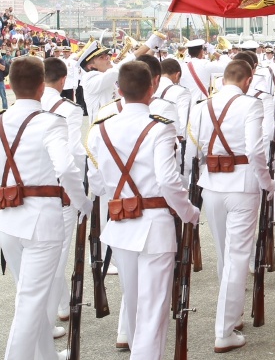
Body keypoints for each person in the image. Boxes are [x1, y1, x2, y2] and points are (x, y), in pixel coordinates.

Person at [85, 61, 199, 359]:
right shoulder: (160, 127)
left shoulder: (100, 129)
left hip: (121, 223)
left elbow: (96, 184)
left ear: (119, 91)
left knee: (135, 304)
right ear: (152, 88)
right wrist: (189, 212)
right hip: (154, 224)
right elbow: (168, 180)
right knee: (153, 311)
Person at [0, 57, 92, 360]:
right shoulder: (50, 121)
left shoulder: (2, 119)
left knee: (30, 297)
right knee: (30, 302)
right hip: (41, 221)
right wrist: (83, 203)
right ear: (42, 87)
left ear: (11, 85)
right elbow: (66, 167)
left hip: (8, 219)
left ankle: (45, 356)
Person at [184, 60, 273, 352]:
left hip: (211, 183)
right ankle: (224, 329)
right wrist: (267, 182)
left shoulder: (202, 106)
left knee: (225, 254)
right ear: (248, 80)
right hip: (242, 184)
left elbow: (191, 151)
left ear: (223, 79)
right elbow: (255, 149)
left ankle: (232, 315)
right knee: (237, 256)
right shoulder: (251, 104)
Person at [41, 57, 87, 329]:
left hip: (30, 189)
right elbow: (73, 153)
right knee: (57, 254)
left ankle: (59, 306)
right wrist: (82, 191)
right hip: (60, 189)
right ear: (62, 80)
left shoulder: (27, 105)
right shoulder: (68, 109)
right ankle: (51, 315)